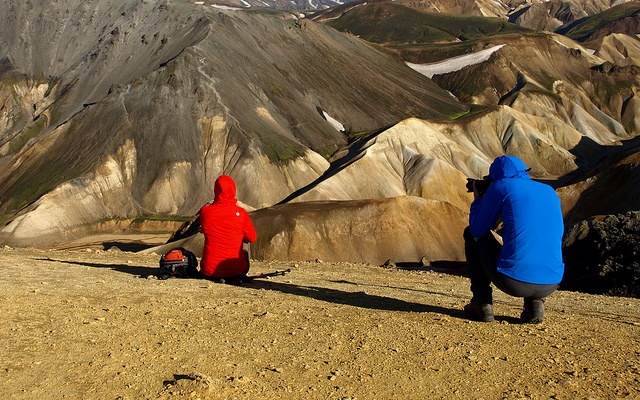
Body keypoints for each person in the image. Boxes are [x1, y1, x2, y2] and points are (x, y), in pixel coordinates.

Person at [464, 155, 564, 324]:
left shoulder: (500, 187)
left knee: (471, 235)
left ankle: (482, 305)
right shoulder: (549, 191)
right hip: (552, 282)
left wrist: (479, 199)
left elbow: (477, 229)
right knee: (532, 240)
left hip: (513, 282)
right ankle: (534, 306)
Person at [199, 175, 257, 281]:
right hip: (236, 271)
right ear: (233, 190)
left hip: (209, 271)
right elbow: (252, 238)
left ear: (216, 190)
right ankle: (237, 268)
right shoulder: (241, 213)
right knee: (245, 243)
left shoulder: (205, 212)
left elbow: (202, 228)